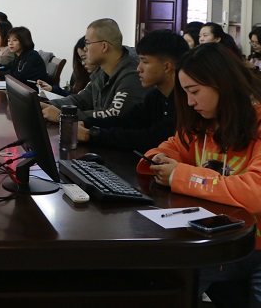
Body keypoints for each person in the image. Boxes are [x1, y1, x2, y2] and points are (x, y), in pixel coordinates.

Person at [138, 42, 261, 305]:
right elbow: (170, 147)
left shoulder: (257, 123)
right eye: (185, 93)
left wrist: (180, 176)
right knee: (158, 273)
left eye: (194, 91)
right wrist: (159, 158)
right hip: (217, 240)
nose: (190, 102)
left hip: (254, 245)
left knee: (170, 279)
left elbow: (255, 193)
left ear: (222, 84)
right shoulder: (203, 123)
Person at [78, 29, 189, 151]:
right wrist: (86, 124)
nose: (138, 68)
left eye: (145, 61)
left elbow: (152, 139)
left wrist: (92, 135)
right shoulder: (156, 96)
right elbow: (127, 121)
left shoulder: (185, 101)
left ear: (167, 67)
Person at [42, 18, 147, 121]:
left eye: (87, 43)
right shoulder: (102, 69)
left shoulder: (132, 73)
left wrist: (63, 115)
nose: (85, 48)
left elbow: (114, 116)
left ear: (104, 46)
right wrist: (47, 105)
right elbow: (81, 100)